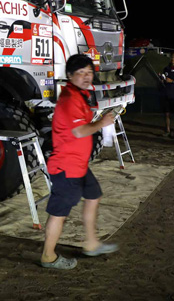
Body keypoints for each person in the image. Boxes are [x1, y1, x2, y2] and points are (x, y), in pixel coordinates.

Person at [40, 54, 118, 270]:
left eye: (89, 72)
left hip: (79, 164)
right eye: (80, 73)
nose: (86, 77)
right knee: (60, 212)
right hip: (66, 166)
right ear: (70, 76)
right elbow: (79, 130)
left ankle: (91, 244)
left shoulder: (80, 95)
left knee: (93, 195)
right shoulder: (70, 99)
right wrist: (101, 123)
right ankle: (48, 256)